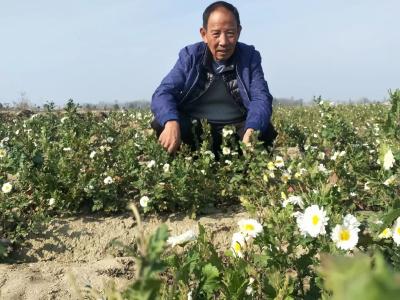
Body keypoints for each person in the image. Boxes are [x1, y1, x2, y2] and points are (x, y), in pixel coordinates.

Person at [151, 1, 277, 155]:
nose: (223, 42)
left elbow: (261, 97)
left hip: (236, 132)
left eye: (230, 33)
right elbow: (163, 93)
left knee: (263, 129)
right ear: (204, 34)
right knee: (163, 122)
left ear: (239, 32)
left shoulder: (249, 57)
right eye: (216, 34)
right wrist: (171, 122)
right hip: (197, 131)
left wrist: (252, 130)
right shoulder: (190, 56)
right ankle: (186, 160)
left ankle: (246, 164)